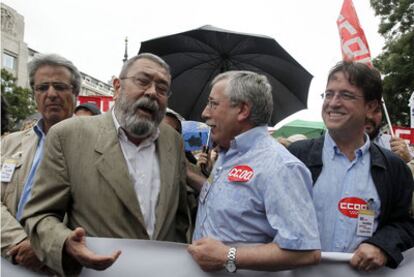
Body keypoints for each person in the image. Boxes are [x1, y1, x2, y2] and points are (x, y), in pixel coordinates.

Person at [20, 53, 191, 275]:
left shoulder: (173, 140)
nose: (152, 92)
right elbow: (39, 215)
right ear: (117, 87)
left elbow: (179, 217)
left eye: (162, 88)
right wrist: (65, 243)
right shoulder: (68, 136)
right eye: (143, 81)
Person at [187, 71, 321, 272]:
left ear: (242, 110)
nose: (205, 112)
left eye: (213, 104)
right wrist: (186, 174)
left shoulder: (281, 167)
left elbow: (305, 252)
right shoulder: (227, 153)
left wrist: (228, 256)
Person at [288, 61, 414, 271]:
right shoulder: (296, 156)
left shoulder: (394, 167)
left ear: (371, 106)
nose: (333, 103)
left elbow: (406, 224)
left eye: (346, 95)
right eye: (328, 94)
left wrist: (382, 245)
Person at [1, 53, 81, 273]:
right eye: (42, 87)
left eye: (60, 86)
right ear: (34, 94)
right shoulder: (10, 144)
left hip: (55, 267)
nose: (51, 94)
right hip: (7, 258)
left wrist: (45, 247)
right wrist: (16, 242)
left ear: (75, 92)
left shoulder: (94, 147)